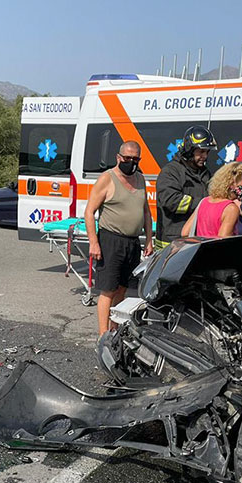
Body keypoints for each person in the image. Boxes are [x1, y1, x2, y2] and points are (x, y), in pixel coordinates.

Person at [86, 140, 154, 336]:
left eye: (135, 159)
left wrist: (149, 240)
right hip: (111, 240)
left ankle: (115, 330)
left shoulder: (139, 179)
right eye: (127, 158)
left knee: (122, 289)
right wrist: (94, 242)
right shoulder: (107, 178)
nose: (131, 162)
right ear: (118, 157)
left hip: (132, 241)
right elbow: (89, 212)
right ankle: (103, 336)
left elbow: (146, 212)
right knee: (108, 290)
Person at [155, 125, 215, 245]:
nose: (205, 156)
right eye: (201, 151)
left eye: (207, 152)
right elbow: (171, 201)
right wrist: (203, 204)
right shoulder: (171, 171)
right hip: (172, 241)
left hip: (195, 238)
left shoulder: (205, 174)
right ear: (189, 150)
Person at [182, 162, 242, 238]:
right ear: (232, 184)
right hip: (216, 246)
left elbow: (185, 232)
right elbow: (223, 240)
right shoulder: (231, 209)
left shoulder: (204, 201)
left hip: (201, 245)